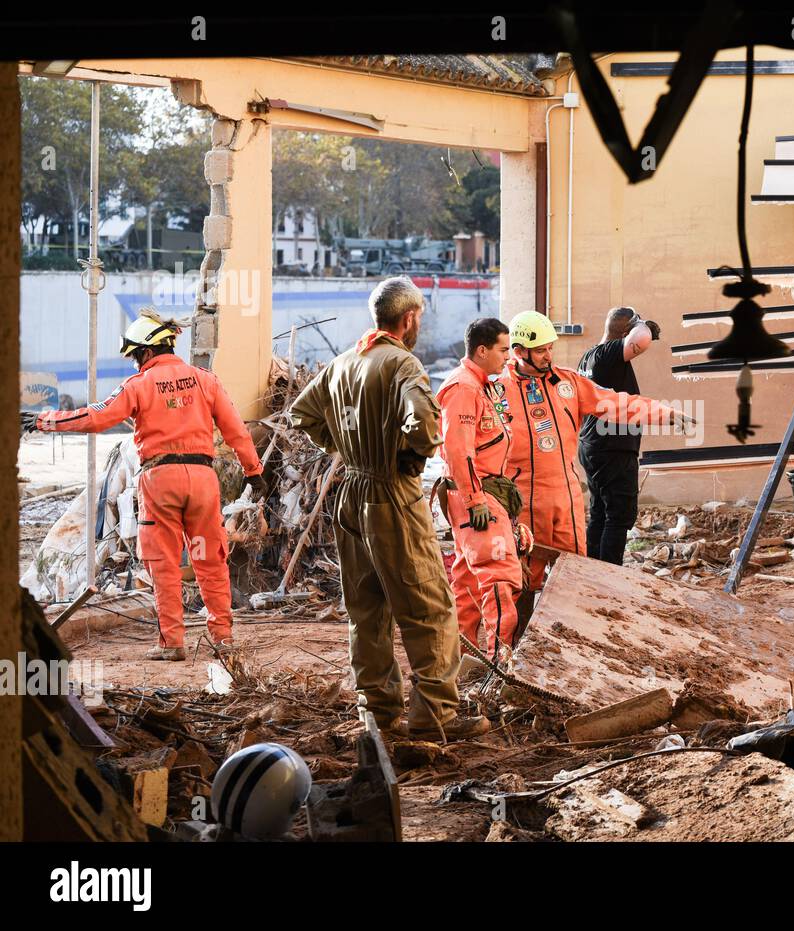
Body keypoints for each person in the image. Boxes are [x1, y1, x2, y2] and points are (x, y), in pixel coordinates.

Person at [289, 276, 488, 741]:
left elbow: (303, 414)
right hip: (392, 496)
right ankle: (434, 715)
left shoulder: (344, 362)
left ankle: (377, 715)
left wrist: (344, 445)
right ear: (410, 317)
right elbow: (424, 427)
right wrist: (407, 458)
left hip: (349, 494)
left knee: (367, 611)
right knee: (429, 607)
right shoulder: (403, 364)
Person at [22, 308, 264, 661]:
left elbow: (95, 417)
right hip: (202, 481)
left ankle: (172, 643)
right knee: (209, 558)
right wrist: (253, 472)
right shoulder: (205, 380)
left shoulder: (138, 385)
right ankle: (222, 638)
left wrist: (43, 421)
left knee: (163, 563)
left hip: (160, 481)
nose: (136, 363)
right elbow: (236, 431)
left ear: (148, 351)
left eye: (136, 355)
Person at [501, 311, 688, 604]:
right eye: (540, 351)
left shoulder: (568, 383)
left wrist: (665, 413)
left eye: (550, 348)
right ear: (518, 351)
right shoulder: (497, 390)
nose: (548, 356)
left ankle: (578, 627)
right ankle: (518, 640)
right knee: (522, 577)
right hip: (522, 500)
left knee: (574, 571)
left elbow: (617, 403)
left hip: (565, 499)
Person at [432, 318, 532, 665]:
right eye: (504, 350)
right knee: (500, 579)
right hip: (476, 498)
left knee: (468, 583)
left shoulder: (482, 385)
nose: (509, 357)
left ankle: (458, 663)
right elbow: (458, 451)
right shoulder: (463, 389)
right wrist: (476, 501)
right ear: (482, 350)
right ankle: (498, 664)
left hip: (483, 494)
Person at [577, 306, 661, 564]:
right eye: (634, 325)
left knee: (601, 512)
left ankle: (591, 571)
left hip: (595, 445)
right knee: (619, 516)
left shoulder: (589, 356)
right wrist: (644, 324)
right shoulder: (608, 353)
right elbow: (641, 339)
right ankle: (608, 575)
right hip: (612, 448)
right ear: (625, 330)